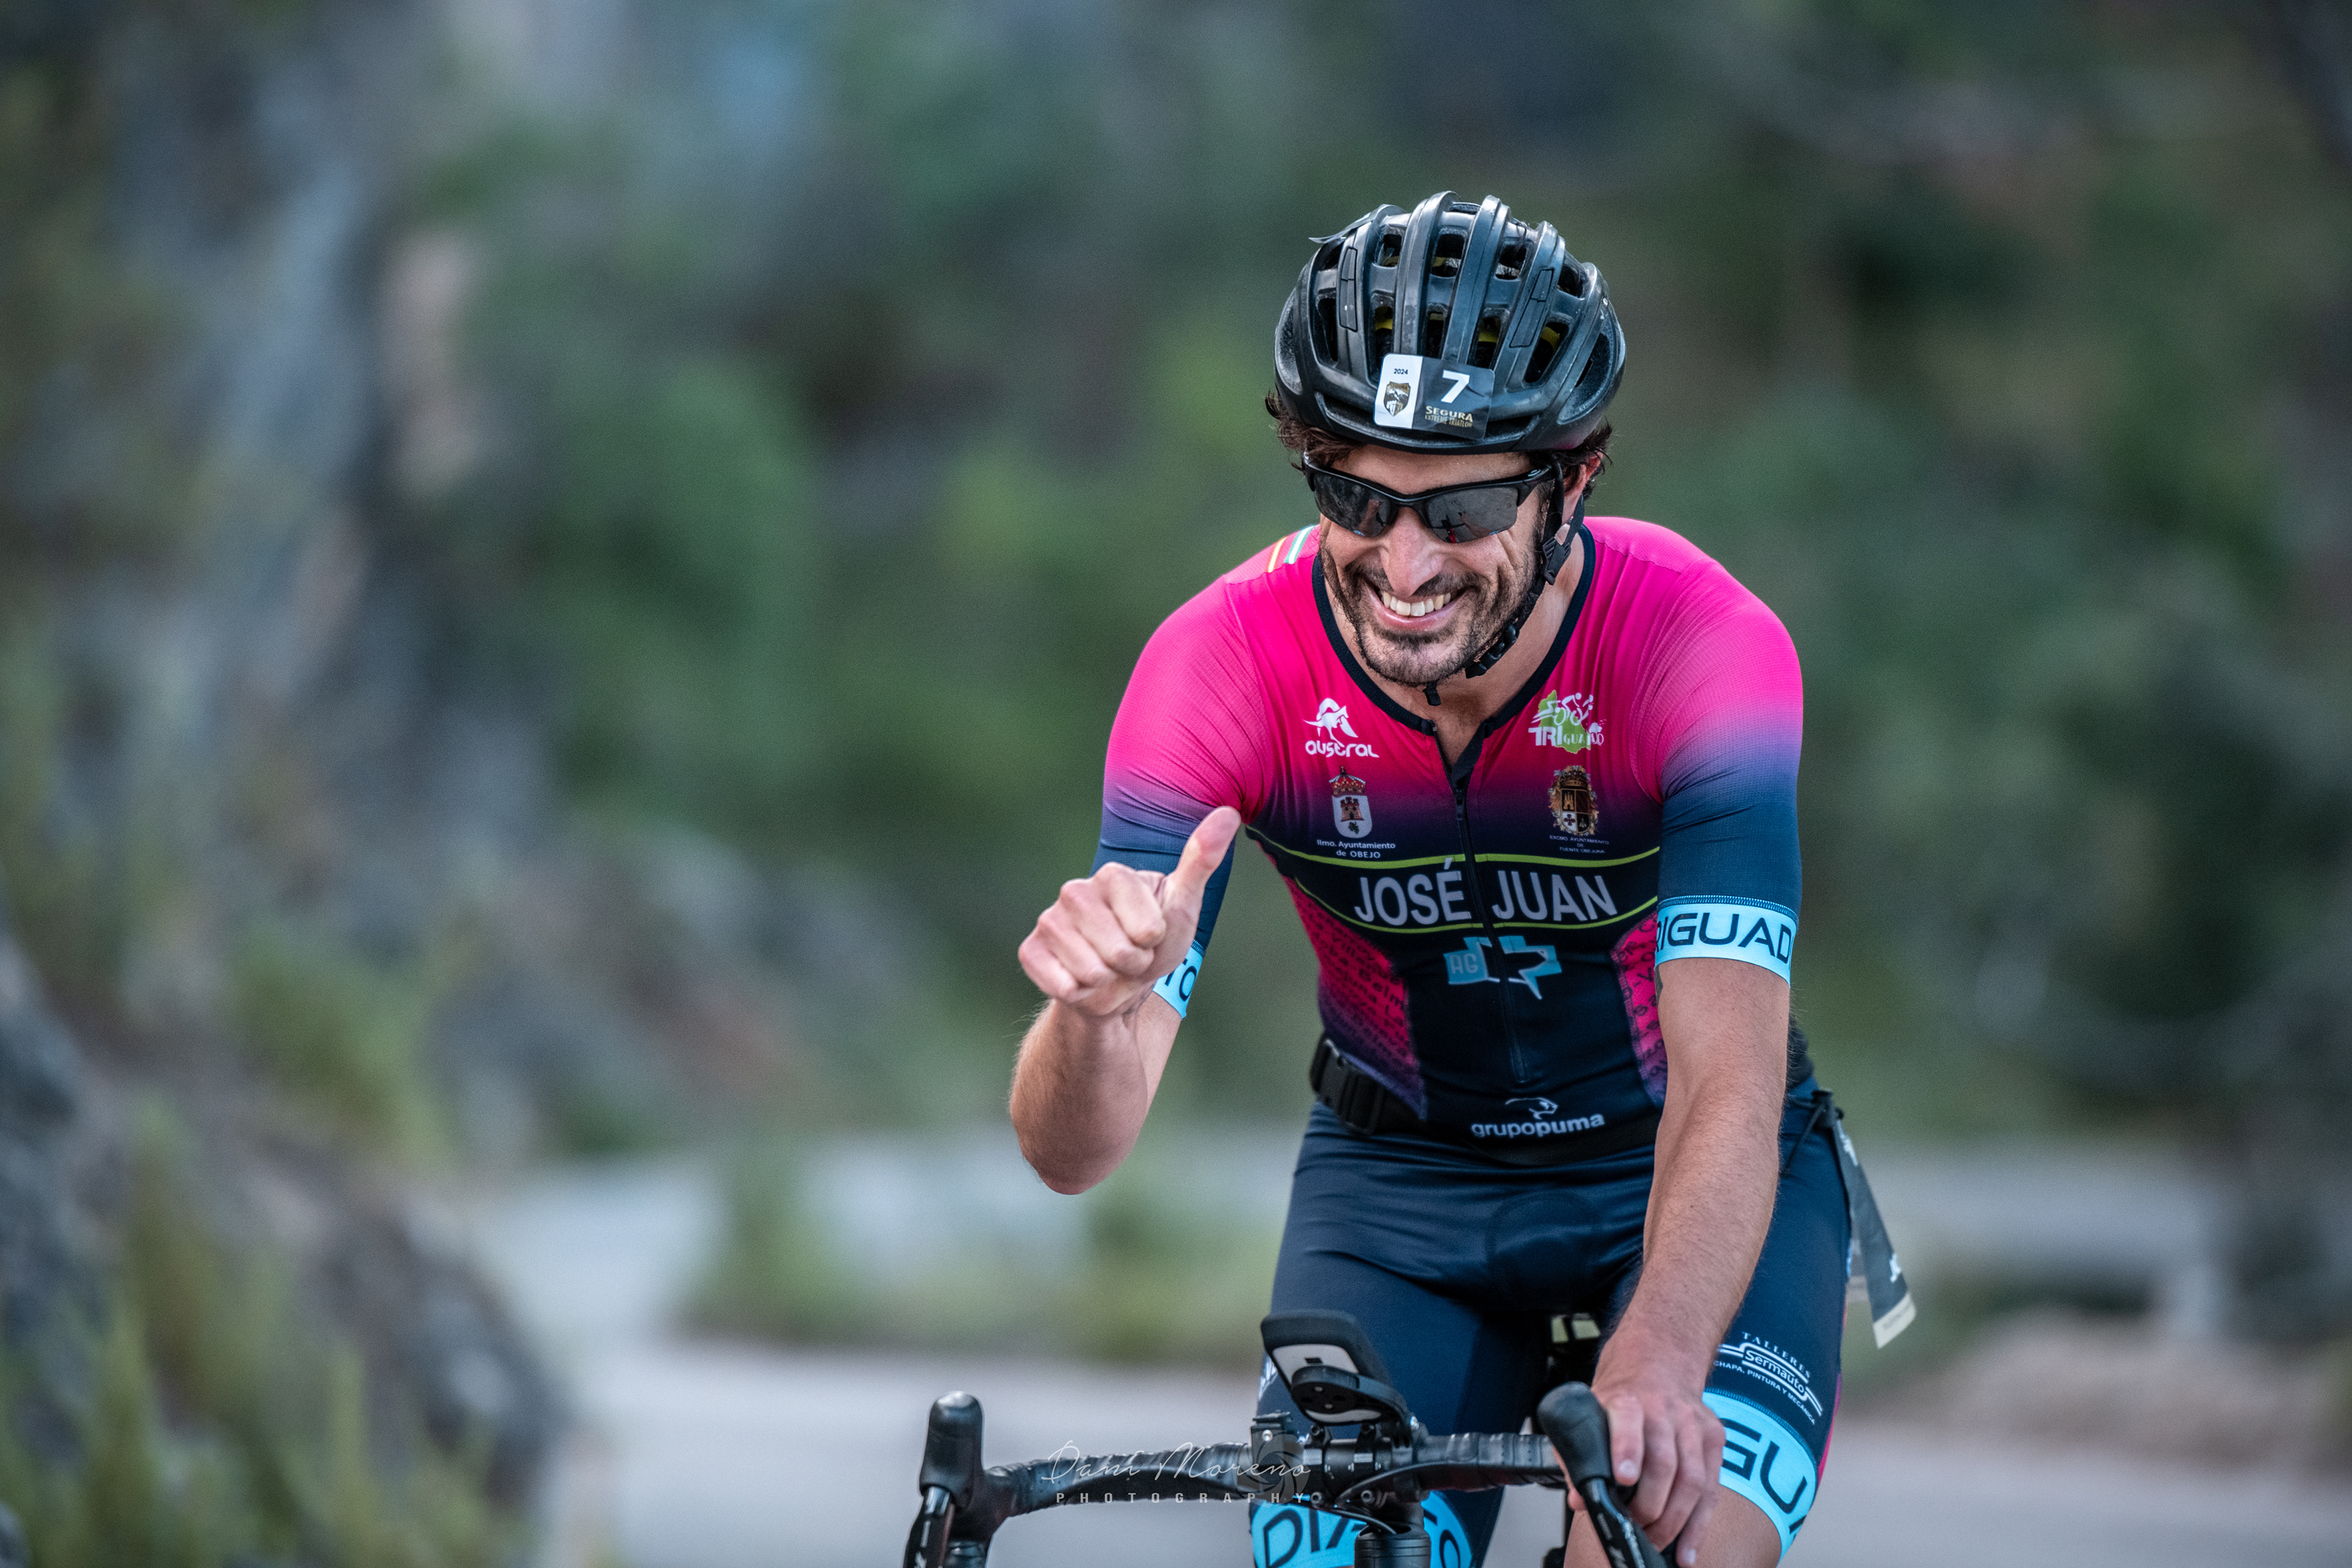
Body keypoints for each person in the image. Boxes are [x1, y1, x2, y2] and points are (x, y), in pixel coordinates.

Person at [1010, 191, 1907, 1568]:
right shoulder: (1221, 665)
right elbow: (1073, 1155)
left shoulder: (1698, 647)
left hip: (1673, 1159)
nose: (1405, 562)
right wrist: (1088, 1014)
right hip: (1400, 1190)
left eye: (1464, 507)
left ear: (1573, 480)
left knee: (1665, 1542)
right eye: (1357, 498)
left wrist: (1658, 1360)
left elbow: (1731, 1080)